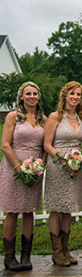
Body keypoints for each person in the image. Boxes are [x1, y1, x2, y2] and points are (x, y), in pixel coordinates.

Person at [0, 81, 46, 271]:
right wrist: (19, 168)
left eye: (35, 94)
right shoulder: (13, 117)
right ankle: (9, 257)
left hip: (35, 169)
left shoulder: (42, 119)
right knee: (12, 212)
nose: (32, 97)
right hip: (14, 168)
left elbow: (45, 147)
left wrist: (39, 165)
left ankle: (26, 256)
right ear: (21, 97)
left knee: (29, 211)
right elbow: (5, 145)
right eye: (28, 94)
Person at [43, 81, 82, 266]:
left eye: (78, 94)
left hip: (75, 168)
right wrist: (63, 160)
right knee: (57, 207)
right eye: (72, 94)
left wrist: (79, 160)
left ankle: (66, 250)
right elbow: (47, 144)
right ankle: (57, 252)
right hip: (57, 165)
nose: (75, 97)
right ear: (65, 95)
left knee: (68, 207)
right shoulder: (55, 117)